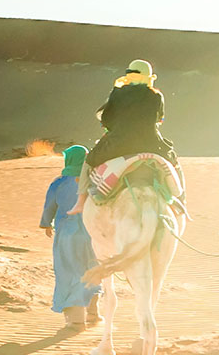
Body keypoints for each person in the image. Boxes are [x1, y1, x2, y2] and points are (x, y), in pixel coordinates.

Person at [70, 59, 178, 215]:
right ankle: (180, 203)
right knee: (173, 163)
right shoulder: (156, 96)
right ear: (148, 76)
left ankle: (80, 202)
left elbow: (106, 119)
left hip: (117, 144)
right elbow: (159, 119)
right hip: (151, 144)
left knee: (89, 161)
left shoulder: (117, 93)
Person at [41, 145, 101, 328]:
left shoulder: (59, 183)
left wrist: (45, 223)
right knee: (92, 270)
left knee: (69, 271)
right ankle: (92, 313)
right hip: (93, 234)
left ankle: (76, 320)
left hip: (67, 234)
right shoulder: (94, 181)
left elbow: (50, 205)